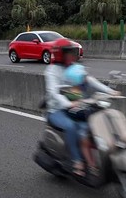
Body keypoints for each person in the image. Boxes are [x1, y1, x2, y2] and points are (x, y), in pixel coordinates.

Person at [44, 39, 118, 177]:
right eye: (68, 53)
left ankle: (93, 161)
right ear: (60, 54)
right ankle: (77, 161)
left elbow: (89, 80)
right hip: (56, 110)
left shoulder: (74, 67)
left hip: (75, 106)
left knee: (89, 126)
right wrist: (68, 103)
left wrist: (110, 91)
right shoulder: (52, 71)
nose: (72, 56)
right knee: (71, 126)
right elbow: (53, 92)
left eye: (72, 52)